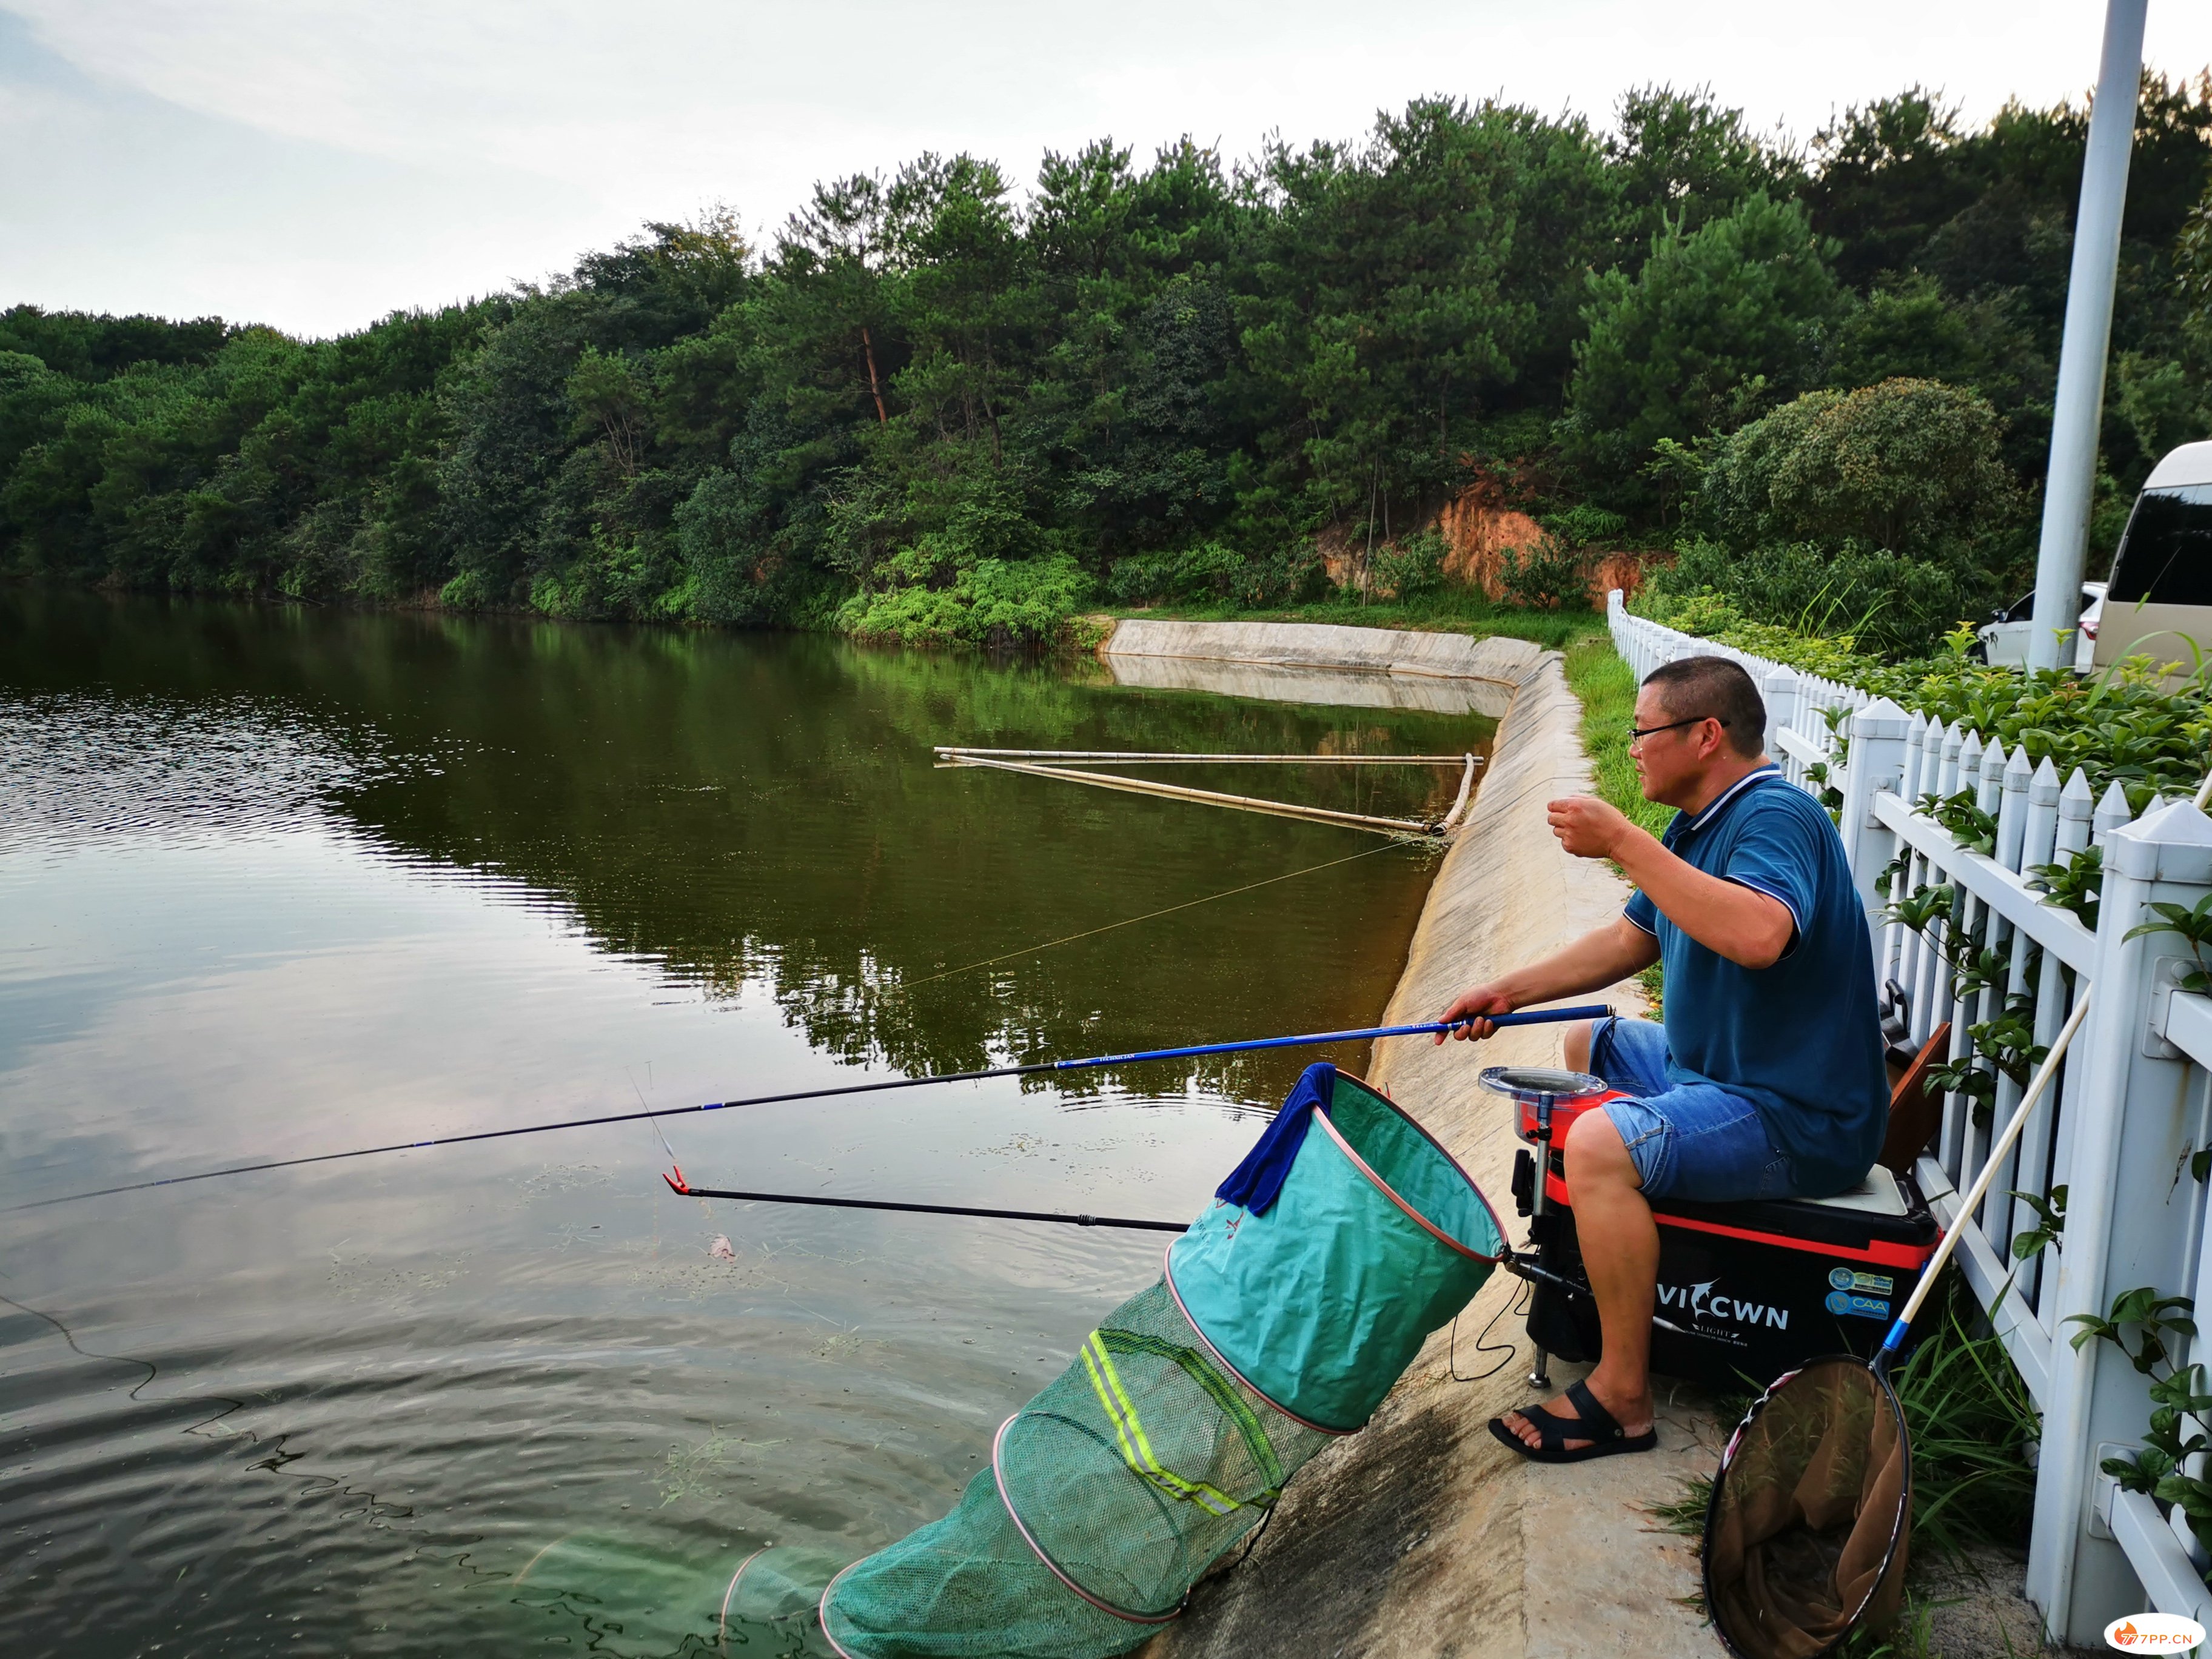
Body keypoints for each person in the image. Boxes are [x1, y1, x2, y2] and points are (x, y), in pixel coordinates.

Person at [1436, 654, 1886, 1463]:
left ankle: (1623, 1395)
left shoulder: (1774, 816)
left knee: (1602, 1146)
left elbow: (1758, 935)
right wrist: (1504, 991)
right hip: (1713, 1072)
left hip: (1795, 1115)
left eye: (1644, 732)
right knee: (1587, 1042)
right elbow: (1629, 939)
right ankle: (1600, 1256)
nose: (1634, 747)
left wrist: (1621, 841)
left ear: (1705, 735)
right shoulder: (1701, 825)